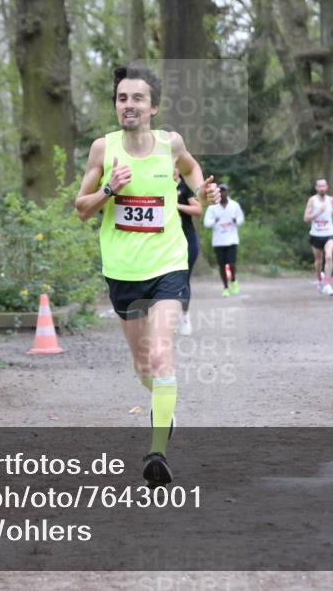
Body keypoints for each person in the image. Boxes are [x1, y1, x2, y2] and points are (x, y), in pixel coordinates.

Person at [75, 64, 220, 486]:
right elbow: (81, 209)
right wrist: (108, 190)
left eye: (137, 98)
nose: (129, 105)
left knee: (160, 355)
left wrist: (202, 192)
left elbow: (193, 169)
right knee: (143, 367)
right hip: (122, 271)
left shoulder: (170, 144)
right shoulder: (103, 150)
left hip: (168, 265)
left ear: (153, 107)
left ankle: (156, 449)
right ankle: (164, 404)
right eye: (122, 98)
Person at [174, 167, 202, 336]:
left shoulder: (184, 188)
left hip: (186, 240)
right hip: (164, 243)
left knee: (183, 279)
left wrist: (177, 205)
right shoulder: (157, 186)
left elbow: (198, 210)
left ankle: (184, 317)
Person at [203, 184, 244, 296]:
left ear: (228, 192)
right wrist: (215, 220)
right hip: (218, 241)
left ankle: (233, 280)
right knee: (221, 266)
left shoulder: (234, 205)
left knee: (231, 264)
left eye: (224, 191)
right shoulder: (212, 207)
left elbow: (241, 219)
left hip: (232, 239)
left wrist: (236, 220)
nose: (222, 193)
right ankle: (225, 287)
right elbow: (206, 223)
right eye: (220, 191)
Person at [304, 178, 333, 295]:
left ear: (327, 187)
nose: (322, 188)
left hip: (329, 233)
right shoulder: (312, 201)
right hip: (316, 234)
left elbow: (329, 213)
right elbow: (306, 218)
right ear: (316, 188)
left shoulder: (331, 200)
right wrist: (318, 212)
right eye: (319, 186)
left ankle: (328, 284)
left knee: (329, 256)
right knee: (318, 261)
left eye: (323, 186)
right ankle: (320, 281)